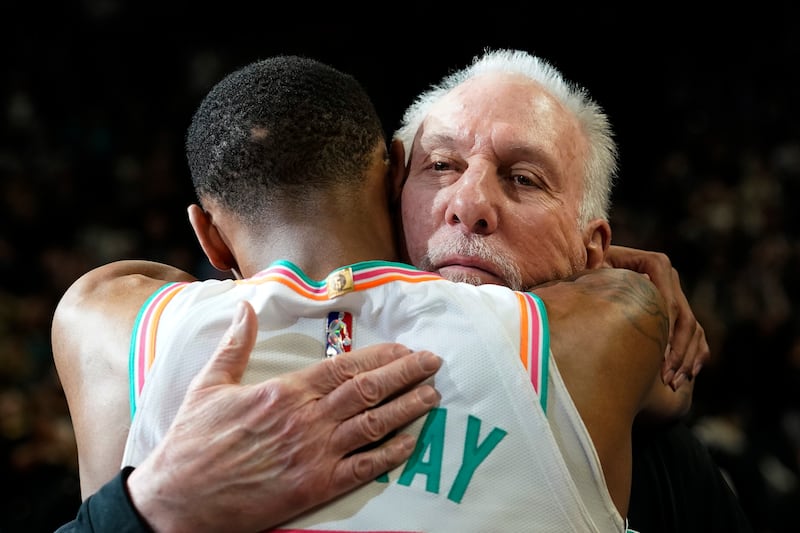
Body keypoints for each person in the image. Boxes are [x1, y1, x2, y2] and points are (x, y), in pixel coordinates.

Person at [53, 54, 686, 532]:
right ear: (394, 185)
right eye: (442, 166)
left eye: (523, 178)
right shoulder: (604, 331)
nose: (468, 204)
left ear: (209, 239)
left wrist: (145, 507)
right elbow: (653, 350)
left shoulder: (115, 320)